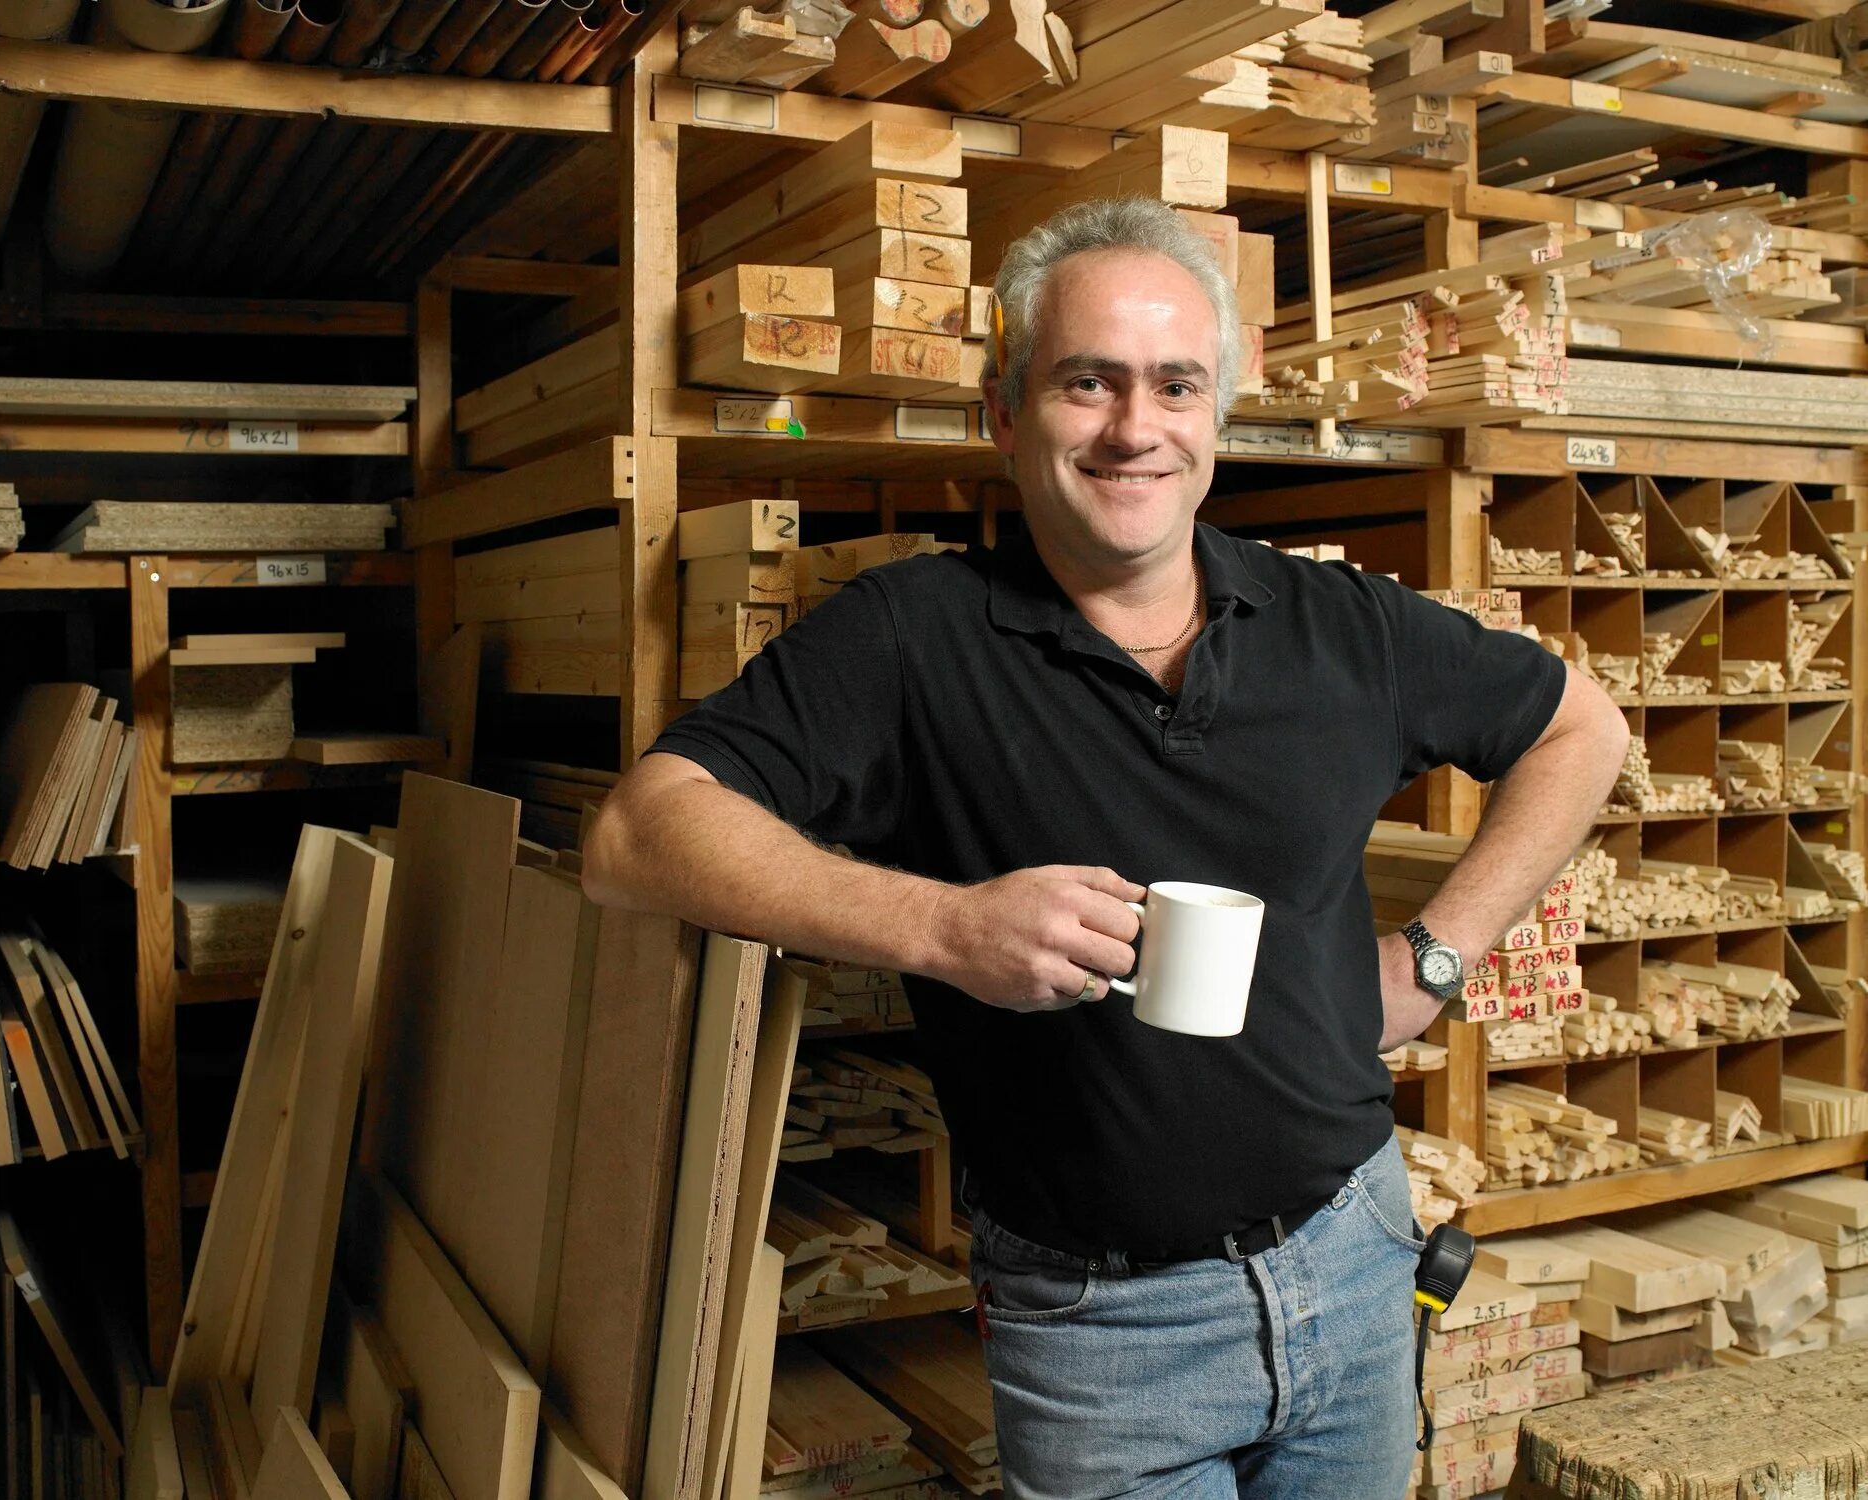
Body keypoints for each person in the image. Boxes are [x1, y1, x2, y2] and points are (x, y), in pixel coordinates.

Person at [581, 196, 1629, 1498]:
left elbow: (1582, 728)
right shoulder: (914, 638)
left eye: (1174, 386)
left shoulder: (1340, 627)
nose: (1136, 428)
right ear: (1005, 413)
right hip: (1103, 1332)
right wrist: (943, 927)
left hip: (1355, 1255)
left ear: (1216, 414)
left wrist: (1432, 960)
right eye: (1089, 382)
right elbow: (635, 834)